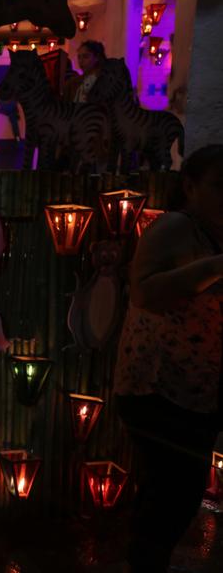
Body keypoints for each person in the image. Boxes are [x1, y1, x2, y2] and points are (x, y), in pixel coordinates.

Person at [114, 145, 223, 573]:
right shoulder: (176, 227)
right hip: (157, 385)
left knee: (175, 490)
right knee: (172, 492)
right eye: (219, 185)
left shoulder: (214, 233)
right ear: (190, 187)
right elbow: (144, 291)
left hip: (197, 388)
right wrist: (216, 266)